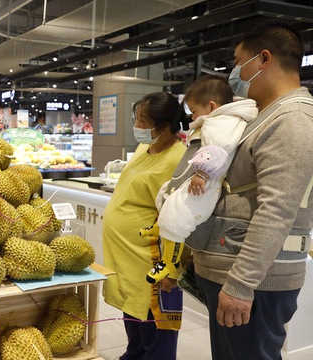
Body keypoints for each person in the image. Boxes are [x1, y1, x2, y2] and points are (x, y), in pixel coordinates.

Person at [187, 21, 313, 360]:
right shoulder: (267, 116)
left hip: (256, 282)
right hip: (236, 271)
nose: (234, 71)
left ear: (264, 60)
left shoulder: (293, 120)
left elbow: (278, 208)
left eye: (238, 61)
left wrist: (242, 283)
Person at [145, 75, 258, 284]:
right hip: (202, 179)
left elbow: (218, 148)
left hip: (207, 182)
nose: (192, 116)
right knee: (168, 199)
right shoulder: (219, 121)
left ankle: (170, 263)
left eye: (194, 111)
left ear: (212, 106)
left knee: (176, 219)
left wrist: (203, 173)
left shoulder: (221, 123)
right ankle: (161, 227)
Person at [102, 92, 187, 360]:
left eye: (142, 122)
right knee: (134, 317)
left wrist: (173, 270)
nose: (137, 127)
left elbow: (182, 216)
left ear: (163, 128)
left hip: (152, 260)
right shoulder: (143, 148)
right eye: (136, 119)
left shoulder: (179, 160)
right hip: (127, 259)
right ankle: (133, 354)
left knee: (156, 327)